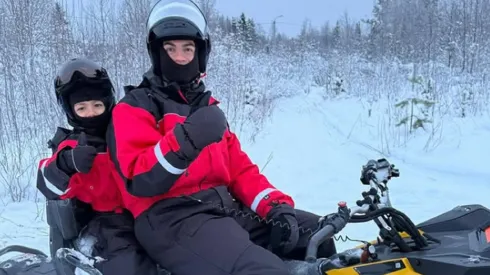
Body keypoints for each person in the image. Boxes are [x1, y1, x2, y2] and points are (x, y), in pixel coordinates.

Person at [106, 0, 337, 274]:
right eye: (170, 49)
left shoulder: (207, 108)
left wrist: (275, 207)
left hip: (224, 210)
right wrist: (187, 140)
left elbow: (240, 170)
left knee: (315, 236)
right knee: (264, 271)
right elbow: (138, 178)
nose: (179, 57)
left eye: (187, 49)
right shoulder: (134, 107)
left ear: (200, 53)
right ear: (156, 53)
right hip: (171, 218)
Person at [36, 58, 159, 275]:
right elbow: (46, 182)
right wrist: (66, 162)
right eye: (82, 108)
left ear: (108, 102)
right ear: (70, 111)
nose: (91, 113)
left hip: (143, 211)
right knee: (130, 265)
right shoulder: (71, 145)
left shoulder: (125, 131)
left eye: (97, 105)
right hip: (104, 222)